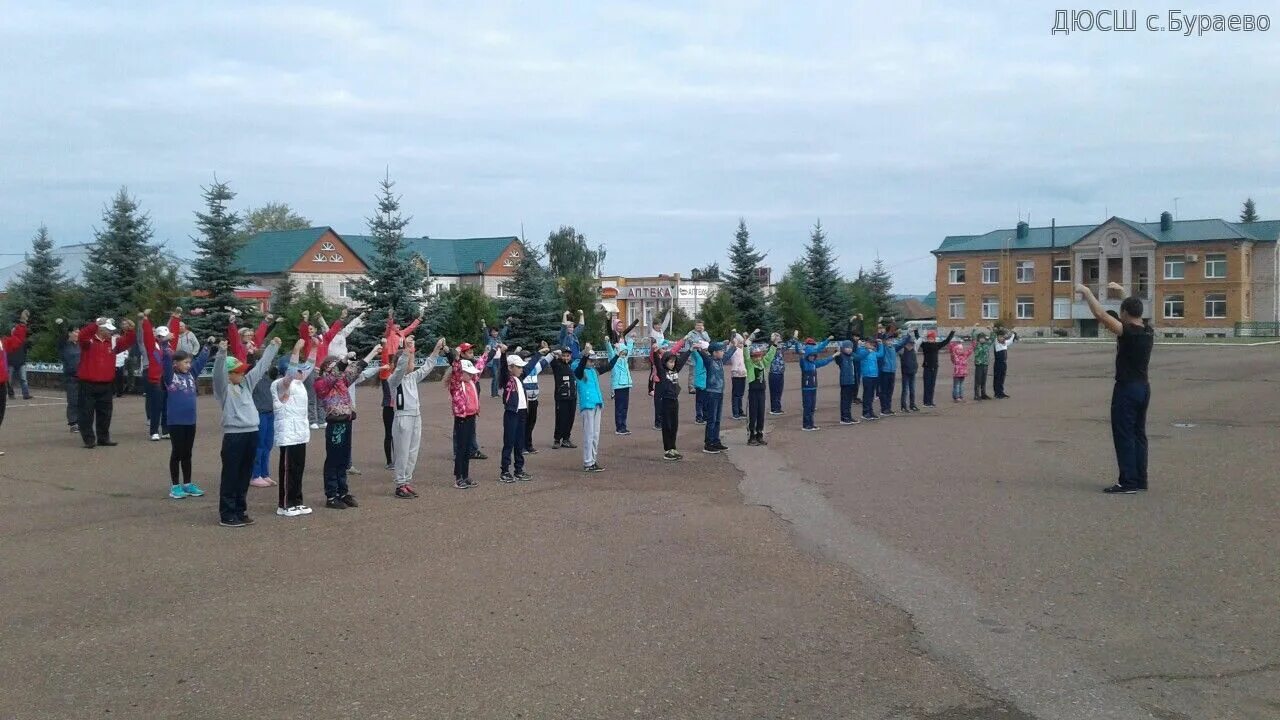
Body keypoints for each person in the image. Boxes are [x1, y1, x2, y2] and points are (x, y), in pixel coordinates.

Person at [1080, 282, 1154, 494]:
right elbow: (1135, 310)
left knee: (1124, 435)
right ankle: (1140, 480)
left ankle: (1128, 482)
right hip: (1143, 388)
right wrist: (1123, 294)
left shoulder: (1127, 332)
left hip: (1127, 390)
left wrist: (1086, 292)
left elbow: (1101, 315)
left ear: (1124, 313)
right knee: (1139, 435)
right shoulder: (1148, 330)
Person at [212, 337, 280, 528]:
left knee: (244, 474)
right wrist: (222, 354)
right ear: (229, 374)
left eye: (242, 371)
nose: (242, 374)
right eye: (237, 372)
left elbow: (260, 368)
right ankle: (227, 513)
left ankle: (240, 510)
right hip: (234, 436)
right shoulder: (223, 390)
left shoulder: (247, 385)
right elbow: (218, 374)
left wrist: (273, 347)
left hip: (252, 432)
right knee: (231, 474)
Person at [314, 342, 382, 510]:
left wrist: (374, 351)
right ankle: (331, 495)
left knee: (344, 459)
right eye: (332, 365)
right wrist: (343, 360)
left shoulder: (342, 381)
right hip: (335, 424)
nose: (337, 367)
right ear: (325, 369)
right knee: (334, 459)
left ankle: (343, 492)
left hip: (346, 421)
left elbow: (356, 368)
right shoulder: (321, 383)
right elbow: (334, 374)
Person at [388, 335, 446, 497]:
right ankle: (400, 484)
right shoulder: (394, 379)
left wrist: (436, 350)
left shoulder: (412, 377)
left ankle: (406, 481)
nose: (413, 364)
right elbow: (399, 370)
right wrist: (406, 350)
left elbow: (427, 367)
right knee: (403, 452)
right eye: (410, 360)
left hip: (415, 416)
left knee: (413, 451)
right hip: (403, 418)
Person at [160, 335, 212, 499]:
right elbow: (166, 361)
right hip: (176, 422)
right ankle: (175, 486)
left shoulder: (191, 375)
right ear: (176, 364)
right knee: (177, 452)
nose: (189, 366)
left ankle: (188, 483)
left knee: (187, 453)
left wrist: (208, 345)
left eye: (189, 363)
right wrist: (164, 344)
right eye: (185, 363)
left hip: (190, 421)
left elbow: (201, 361)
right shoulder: (170, 377)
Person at [271, 340, 315, 516]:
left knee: (298, 468)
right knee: (288, 469)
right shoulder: (280, 384)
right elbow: (291, 372)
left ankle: (297, 501)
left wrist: (315, 349)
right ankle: (285, 504)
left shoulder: (299, 383)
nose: (300, 371)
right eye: (297, 368)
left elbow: (310, 367)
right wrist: (296, 349)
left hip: (300, 433)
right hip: (288, 434)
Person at [78, 317, 136, 449]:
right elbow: (82, 335)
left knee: (105, 413)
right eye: (108, 330)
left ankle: (103, 438)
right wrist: (95, 324)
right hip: (88, 383)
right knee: (86, 413)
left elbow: (128, 341)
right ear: (100, 329)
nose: (110, 332)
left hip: (106, 383)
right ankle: (89, 439)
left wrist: (131, 330)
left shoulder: (113, 341)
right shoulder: (89, 340)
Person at [379, 306, 424, 466]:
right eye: (396, 326)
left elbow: (411, 328)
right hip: (392, 360)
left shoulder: (401, 335)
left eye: (399, 326)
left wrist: (418, 319)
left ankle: (399, 458)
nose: (397, 328)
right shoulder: (390, 334)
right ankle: (390, 460)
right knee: (390, 388)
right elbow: (388, 328)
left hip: (399, 360)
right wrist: (390, 317)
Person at [447, 344, 489, 489]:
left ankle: (466, 475)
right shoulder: (457, 384)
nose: (472, 375)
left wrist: (485, 354)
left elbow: (480, 368)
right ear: (461, 373)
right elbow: (456, 371)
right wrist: (457, 358)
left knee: (467, 450)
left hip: (471, 417)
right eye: (468, 373)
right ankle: (459, 477)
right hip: (462, 419)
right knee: (461, 448)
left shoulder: (471, 380)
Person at [574, 341, 620, 471]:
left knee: (595, 435)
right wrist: (585, 354)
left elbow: (608, 366)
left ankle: (593, 460)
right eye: (590, 360)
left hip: (597, 405)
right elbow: (581, 366)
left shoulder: (594, 371)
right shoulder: (579, 371)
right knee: (588, 435)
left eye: (593, 361)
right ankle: (588, 462)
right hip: (587, 406)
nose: (593, 363)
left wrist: (617, 355)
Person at [497, 347, 535, 483]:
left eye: (521, 367)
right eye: (518, 367)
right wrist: (502, 354)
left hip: (522, 413)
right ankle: (505, 471)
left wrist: (539, 354)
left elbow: (530, 366)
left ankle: (519, 469)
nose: (521, 369)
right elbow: (502, 368)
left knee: (519, 443)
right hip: (511, 414)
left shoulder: (520, 378)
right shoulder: (507, 379)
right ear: (510, 367)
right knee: (509, 442)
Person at [653, 338, 690, 460]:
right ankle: (667, 450)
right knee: (667, 425)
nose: (672, 364)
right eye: (670, 362)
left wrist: (690, 350)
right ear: (665, 362)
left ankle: (673, 448)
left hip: (675, 400)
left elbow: (683, 360)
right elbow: (658, 363)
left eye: (674, 362)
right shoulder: (663, 372)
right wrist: (655, 352)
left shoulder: (675, 370)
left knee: (674, 425)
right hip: (666, 401)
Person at [139, 311, 173, 441]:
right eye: (160, 336)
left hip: (167, 379)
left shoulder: (169, 347)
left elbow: (173, 329)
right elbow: (147, 334)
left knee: (166, 406)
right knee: (156, 406)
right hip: (156, 379)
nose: (162, 337)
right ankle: (154, 431)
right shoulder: (153, 346)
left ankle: (165, 430)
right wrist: (146, 320)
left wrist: (175, 317)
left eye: (164, 335)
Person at [0, 311, 30, 453]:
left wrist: (23, 322)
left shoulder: (2, 342)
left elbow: (17, 339)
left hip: (1, 383)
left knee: (0, 413)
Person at [694, 339, 729, 453]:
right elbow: (704, 355)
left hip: (719, 392)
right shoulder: (709, 361)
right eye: (721, 351)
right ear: (714, 352)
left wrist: (734, 345)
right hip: (711, 392)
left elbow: (729, 354)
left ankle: (715, 440)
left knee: (717, 419)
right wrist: (699, 349)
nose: (723, 352)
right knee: (712, 419)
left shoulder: (720, 361)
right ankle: (708, 443)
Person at [798, 336, 836, 431]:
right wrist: (801, 354)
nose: (812, 357)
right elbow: (801, 356)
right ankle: (806, 425)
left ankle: (811, 424)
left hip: (813, 387)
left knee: (812, 407)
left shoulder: (814, 363)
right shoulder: (804, 363)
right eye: (810, 356)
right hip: (806, 388)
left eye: (813, 356)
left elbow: (824, 361)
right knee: (807, 407)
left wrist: (833, 356)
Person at [745, 340, 779, 446]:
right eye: (755, 356)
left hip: (761, 392)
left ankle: (760, 435)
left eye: (759, 356)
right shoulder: (750, 364)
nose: (758, 358)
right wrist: (746, 346)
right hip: (753, 392)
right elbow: (745, 357)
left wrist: (774, 345)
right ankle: (752, 436)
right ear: (752, 357)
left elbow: (769, 356)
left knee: (761, 414)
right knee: (753, 414)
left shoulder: (763, 364)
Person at [522, 343, 553, 453]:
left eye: (529, 358)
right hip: (524, 401)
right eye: (526, 358)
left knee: (531, 422)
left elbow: (544, 362)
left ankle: (528, 445)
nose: (529, 360)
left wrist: (552, 353)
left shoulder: (534, 368)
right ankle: (521, 446)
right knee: (523, 423)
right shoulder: (521, 371)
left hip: (533, 400)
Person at [876, 325, 913, 416]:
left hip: (892, 371)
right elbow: (878, 339)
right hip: (884, 371)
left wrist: (908, 335)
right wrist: (880, 334)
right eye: (888, 340)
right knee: (884, 391)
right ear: (884, 341)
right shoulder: (883, 348)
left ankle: (888, 408)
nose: (890, 341)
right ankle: (883, 409)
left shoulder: (894, 347)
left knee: (890, 391)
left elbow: (902, 343)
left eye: (891, 340)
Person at [916, 329, 955, 407]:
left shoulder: (937, 345)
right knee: (927, 385)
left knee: (932, 385)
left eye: (932, 338)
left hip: (935, 367)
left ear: (934, 338)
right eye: (929, 338)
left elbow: (946, 341)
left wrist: (952, 332)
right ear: (927, 338)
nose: (931, 339)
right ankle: (926, 402)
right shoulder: (924, 345)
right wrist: (916, 331)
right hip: (927, 367)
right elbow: (918, 339)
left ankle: (930, 401)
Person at [548, 345, 578, 449]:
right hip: (561, 398)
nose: (566, 358)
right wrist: (552, 351)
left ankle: (566, 439)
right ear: (561, 356)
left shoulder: (573, 365)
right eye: (564, 356)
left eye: (568, 356)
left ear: (571, 356)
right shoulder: (557, 365)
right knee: (560, 418)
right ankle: (557, 439)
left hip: (572, 397)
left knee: (570, 418)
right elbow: (550, 357)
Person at [606, 332, 636, 435]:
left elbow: (630, 349)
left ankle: (623, 426)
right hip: (618, 386)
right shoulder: (614, 359)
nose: (624, 354)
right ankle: (619, 428)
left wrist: (631, 340)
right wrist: (607, 342)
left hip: (626, 385)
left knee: (624, 407)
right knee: (619, 407)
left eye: (625, 352)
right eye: (622, 352)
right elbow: (610, 350)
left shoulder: (625, 358)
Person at [54, 320, 81, 433]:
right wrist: (61, 325)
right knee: (73, 400)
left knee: (83, 401)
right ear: (70, 333)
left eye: (78, 331)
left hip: (83, 377)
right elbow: (61, 336)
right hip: (71, 377)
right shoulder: (64, 345)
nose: (78, 333)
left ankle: (82, 421)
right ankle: (73, 423)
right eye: (75, 331)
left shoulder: (80, 345)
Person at [767, 331, 800, 415]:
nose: (780, 338)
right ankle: (774, 409)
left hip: (780, 372)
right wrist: (775, 341)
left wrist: (795, 336)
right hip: (774, 373)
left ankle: (777, 408)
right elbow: (775, 346)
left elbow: (789, 344)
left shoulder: (780, 347)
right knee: (775, 391)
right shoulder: (771, 347)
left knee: (779, 391)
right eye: (778, 337)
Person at [684, 321, 711, 419]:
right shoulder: (691, 333)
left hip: (703, 353)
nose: (699, 327)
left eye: (701, 325)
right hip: (694, 354)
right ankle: (691, 387)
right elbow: (687, 343)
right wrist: (688, 353)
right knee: (692, 372)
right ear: (695, 326)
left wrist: (703, 333)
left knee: (703, 370)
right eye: (698, 325)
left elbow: (708, 341)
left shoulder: (705, 333)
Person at [831, 340, 862, 426]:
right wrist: (837, 351)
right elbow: (837, 358)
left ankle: (848, 416)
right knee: (845, 400)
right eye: (847, 348)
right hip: (845, 381)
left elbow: (859, 358)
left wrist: (857, 348)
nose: (849, 349)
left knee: (849, 401)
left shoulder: (851, 355)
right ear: (843, 348)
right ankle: (844, 418)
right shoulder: (841, 356)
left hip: (852, 381)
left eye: (850, 348)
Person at [856, 336, 885, 421]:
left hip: (874, 375)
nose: (871, 345)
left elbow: (881, 354)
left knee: (871, 395)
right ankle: (865, 412)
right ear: (866, 343)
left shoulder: (873, 352)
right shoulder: (862, 351)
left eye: (872, 344)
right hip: (867, 376)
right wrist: (865, 349)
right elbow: (860, 356)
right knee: (867, 395)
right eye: (869, 343)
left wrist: (881, 344)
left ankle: (870, 411)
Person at [484, 318, 510, 398]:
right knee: (495, 376)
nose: (495, 333)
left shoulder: (499, 338)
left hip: (499, 360)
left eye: (496, 331)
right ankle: (494, 394)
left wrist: (507, 322)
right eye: (493, 332)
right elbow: (485, 333)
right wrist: (484, 324)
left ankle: (495, 393)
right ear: (491, 333)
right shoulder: (489, 339)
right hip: (492, 360)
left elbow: (504, 332)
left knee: (497, 376)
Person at [5, 322, 30, 401]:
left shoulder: (22, 341)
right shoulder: (8, 341)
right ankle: (11, 394)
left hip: (21, 362)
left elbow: (25, 351)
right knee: (9, 380)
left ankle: (26, 395)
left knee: (24, 379)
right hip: (11, 363)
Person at [727, 331, 749, 420]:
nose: (740, 343)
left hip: (743, 373)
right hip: (736, 373)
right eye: (739, 342)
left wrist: (744, 338)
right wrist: (733, 339)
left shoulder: (742, 349)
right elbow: (729, 352)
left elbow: (746, 343)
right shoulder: (732, 348)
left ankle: (740, 411)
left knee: (740, 394)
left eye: (741, 342)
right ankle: (735, 412)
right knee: (736, 394)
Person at [993, 329, 1018, 399]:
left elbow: (1010, 340)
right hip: (998, 364)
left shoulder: (1005, 343)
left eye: (1002, 337)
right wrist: (993, 330)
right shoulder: (996, 343)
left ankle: (1001, 392)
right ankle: (997, 393)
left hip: (1004, 363)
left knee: (1002, 378)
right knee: (997, 378)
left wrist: (1013, 333)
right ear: (997, 337)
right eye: (1000, 337)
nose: (1001, 338)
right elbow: (994, 335)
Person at [948, 336, 974, 402]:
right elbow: (951, 351)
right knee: (957, 385)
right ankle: (957, 397)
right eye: (958, 349)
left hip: (961, 374)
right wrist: (951, 344)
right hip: (957, 374)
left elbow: (970, 350)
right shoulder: (955, 356)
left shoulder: (963, 355)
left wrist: (973, 343)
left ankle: (959, 397)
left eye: (961, 349)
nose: (960, 351)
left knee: (960, 385)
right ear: (956, 350)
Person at [971, 328, 994, 401]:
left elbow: (992, 338)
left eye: (983, 338)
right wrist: (974, 330)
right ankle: (976, 395)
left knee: (984, 380)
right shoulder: (976, 345)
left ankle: (983, 394)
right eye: (980, 338)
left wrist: (991, 330)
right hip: (979, 364)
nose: (982, 339)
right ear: (978, 339)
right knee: (978, 380)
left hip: (985, 364)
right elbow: (973, 337)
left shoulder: (987, 344)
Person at [899, 336, 920, 412]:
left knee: (912, 390)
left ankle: (912, 405)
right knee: (905, 390)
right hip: (905, 372)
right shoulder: (902, 350)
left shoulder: (914, 349)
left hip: (913, 372)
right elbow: (899, 344)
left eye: (912, 344)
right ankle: (903, 406)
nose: (911, 345)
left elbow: (919, 340)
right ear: (906, 344)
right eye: (909, 343)